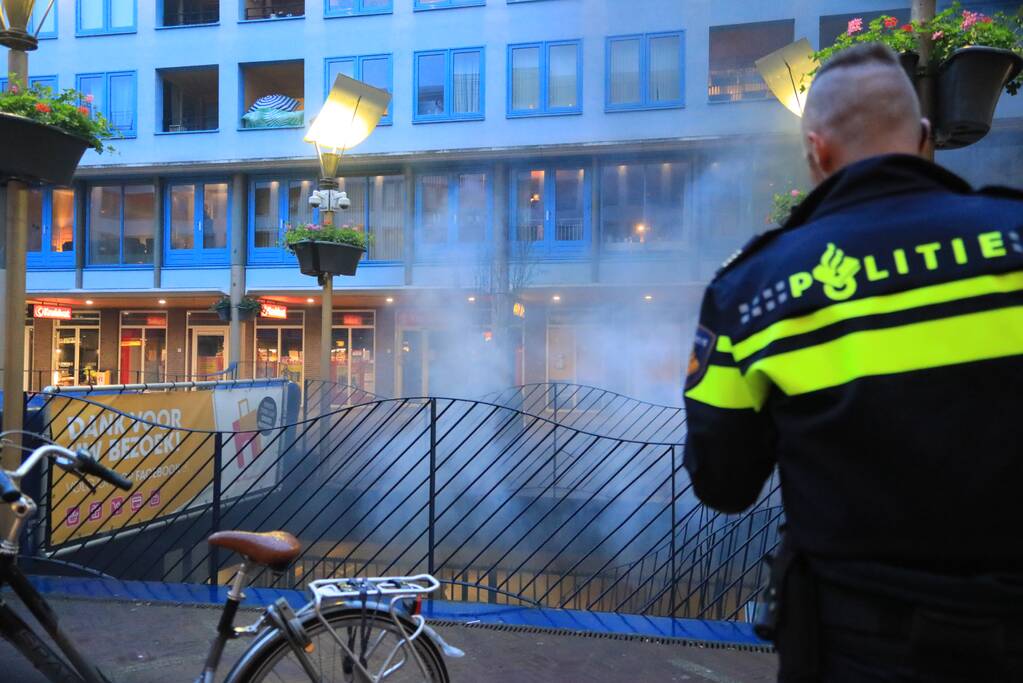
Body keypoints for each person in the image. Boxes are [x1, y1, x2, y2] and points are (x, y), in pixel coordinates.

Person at [682, 43, 1023, 682]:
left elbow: (721, 484)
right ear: (924, 137)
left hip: (851, 649)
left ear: (816, 151)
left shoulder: (752, 291)